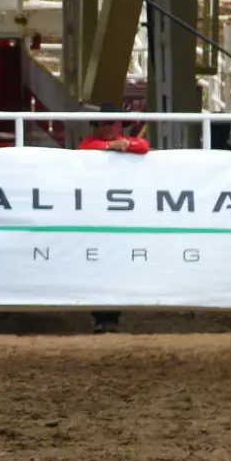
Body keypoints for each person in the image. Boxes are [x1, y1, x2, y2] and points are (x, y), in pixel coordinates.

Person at [78, 102, 150, 333]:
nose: (107, 126)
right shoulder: (91, 144)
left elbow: (144, 146)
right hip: (96, 213)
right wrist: (113, 146)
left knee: (115, 262)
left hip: (121, 214)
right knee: (99, 263)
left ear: (120, 124)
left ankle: (110, 316)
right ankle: (102, 316)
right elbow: (84, 149)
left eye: (111, 122)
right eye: (103, 122)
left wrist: (123, 145)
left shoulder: (127, 145)